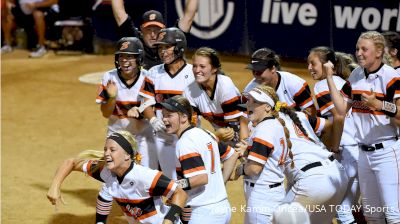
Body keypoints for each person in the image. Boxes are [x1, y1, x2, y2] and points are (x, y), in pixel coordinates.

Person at [235, 85, 349, 224]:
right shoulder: (298, 116)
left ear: (268, 107)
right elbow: (327, 124)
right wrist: (331, 148)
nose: (247, 108)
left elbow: (254, 165)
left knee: (280, 221)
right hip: (336, 172)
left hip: (311, 180)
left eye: (253, 103)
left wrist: (243, 126)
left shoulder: (264, 125)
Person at [327, 31, 400, 223]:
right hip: (363, 155)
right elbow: (341, 109)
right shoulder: (356, 75)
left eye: (364, 49)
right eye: (357, 48)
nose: (359, 53)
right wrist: (329, 77)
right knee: (372, 215)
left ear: (378, 52)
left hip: (387, 153)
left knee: (394, 215)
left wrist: (380, 105)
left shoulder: (390, 77)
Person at [47, 130, 188, 224]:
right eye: (105, 149)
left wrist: (168, 222)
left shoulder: (145, 177)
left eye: (112, 150)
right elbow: (71, 162)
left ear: (127, 155)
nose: (106, 153)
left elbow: (179, 192)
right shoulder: (106, 172)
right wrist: (55, 186)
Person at [95, 36, 159, 223]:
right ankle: (131, 218)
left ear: (139, 59)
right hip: (117, 136)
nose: (125, 61)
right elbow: (106, 113)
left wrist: (139, 111)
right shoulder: (109, 77)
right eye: (122, 56)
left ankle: (151, 217)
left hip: (143, 135)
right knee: (115, 177)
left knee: (145, 177)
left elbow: (153, 109)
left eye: (130, 56)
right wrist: (112, 98)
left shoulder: (148, 77)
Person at [158, 95, 244, 223]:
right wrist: (221, 182)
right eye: (163, 115)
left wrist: (173, 185)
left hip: (204, 213)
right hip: (222, 207)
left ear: (184, 117)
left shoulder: (185, 142)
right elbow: (231, 155)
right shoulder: (205, 133)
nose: (164, 120)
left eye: (169, 116)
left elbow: (200, 178)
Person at [308, 46, 360, 224]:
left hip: (344, 151)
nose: (309, 68)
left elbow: (338, 117)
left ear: (326, 65)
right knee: (349, 208)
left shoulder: (322, 86)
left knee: (339, 211)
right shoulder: (343, 82)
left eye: (313, 63)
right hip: (360, 151)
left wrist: (334, 148)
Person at [139, 27, 195, 180]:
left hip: (188, 137)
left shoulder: (193, 73)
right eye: (160, 48)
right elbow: (145, 102)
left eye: (167, 47)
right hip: (163, 138)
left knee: (191, 180)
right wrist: (152, 120)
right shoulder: (153, 73)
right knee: (171, 182)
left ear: (179, 47)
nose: (162, 52)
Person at [233, 85, 291, 224]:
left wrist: (241, 169)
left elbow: (254, 168)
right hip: (271, 194)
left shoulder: (265, 129)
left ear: (268, 107)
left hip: (262, 199)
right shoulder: (273, 125)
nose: (248, 104)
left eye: (255, 102)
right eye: (248, 100)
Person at [184, 47, 249, 145]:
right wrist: (214, 136)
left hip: (247, 131)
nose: (197, 70)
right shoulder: (189, 91)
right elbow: (191, 127)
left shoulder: (224, 86)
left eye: (202, 66)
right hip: (222, 135)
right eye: (194, 66)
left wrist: (214, 137)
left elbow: (234, 129)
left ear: (214, 69)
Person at [111, 0, 198, 69]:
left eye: (157, 30)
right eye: (148, 30)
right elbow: (119, 14)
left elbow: (188, 17)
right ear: (141, 30)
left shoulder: (172, 39)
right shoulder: (135, 40)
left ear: (163, 29)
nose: (152, 34)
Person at [244, 48, 316, 116]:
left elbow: (311, 113)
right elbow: (246, 116)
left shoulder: (295, 84)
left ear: (273, 69)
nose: (256, 75)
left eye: (260, 71)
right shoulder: (250, 90)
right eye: (253, 71)